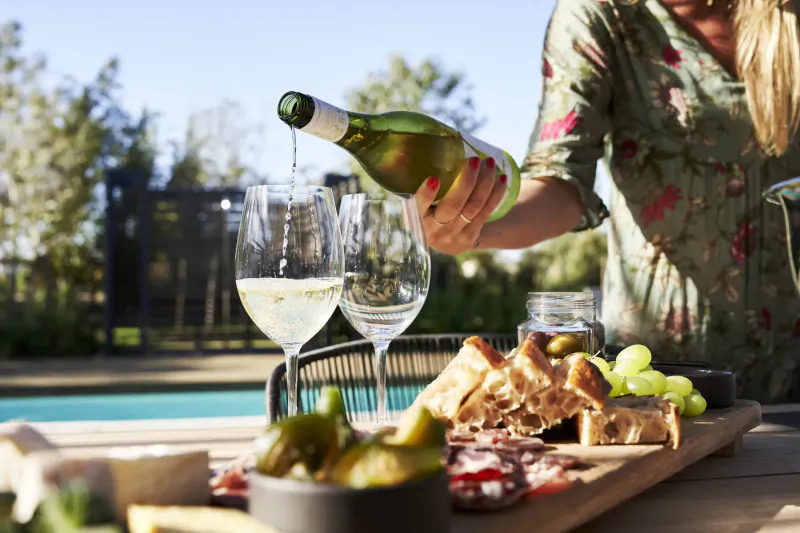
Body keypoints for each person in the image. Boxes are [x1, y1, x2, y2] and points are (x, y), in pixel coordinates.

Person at [413, 0, 800, 404]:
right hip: (659, 374)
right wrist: (475, 225)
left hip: (792, 362)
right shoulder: (600, 14)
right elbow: (560, 182)